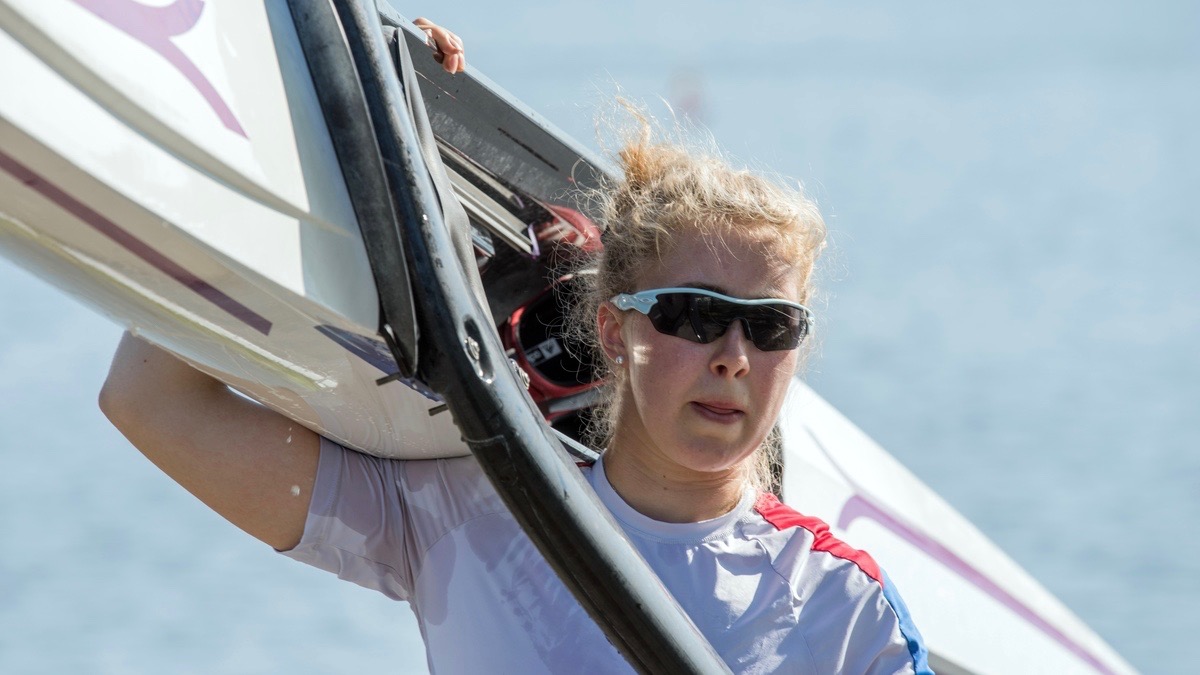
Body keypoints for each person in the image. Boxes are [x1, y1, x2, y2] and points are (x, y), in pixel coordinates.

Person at [98, 17, 931, 675]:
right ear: (615, 330)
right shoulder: (462, 518)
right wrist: (329, 139)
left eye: (770, 327)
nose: (733, 356)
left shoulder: (842, 610)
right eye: (692, 314)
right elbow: (151, 401)